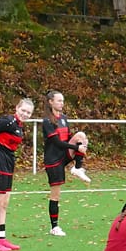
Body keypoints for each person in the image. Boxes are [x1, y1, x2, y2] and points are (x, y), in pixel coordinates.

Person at [0, 98, 35, 251]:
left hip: (7, 166)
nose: (25, 114)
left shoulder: (19, 126)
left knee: (4, 204)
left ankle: (1, 238)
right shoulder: (7, 121)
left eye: (28, 112)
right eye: (23, 110)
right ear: (17, 108)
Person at [42, 90, 91, 236]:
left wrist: (79, 144)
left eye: (62, 101)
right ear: (50, 102)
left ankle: (77, 168)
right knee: (55, 195)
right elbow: (56, 142)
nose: (61, 103)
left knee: (81, 135)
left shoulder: (63, 118)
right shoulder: (47, 121)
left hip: (64, 154)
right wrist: (76, 148)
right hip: (53, 160)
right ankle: (54, 227)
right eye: (58, 101)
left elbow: (68, 136)